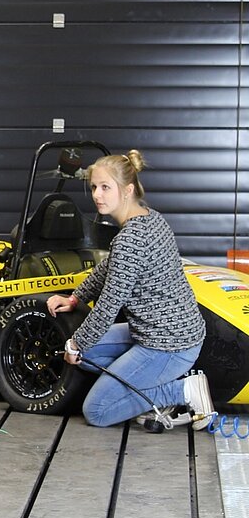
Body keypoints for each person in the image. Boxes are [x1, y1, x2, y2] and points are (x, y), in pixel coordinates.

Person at [46, 150, 215, 430]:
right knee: (86, 355)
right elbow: (109, 268)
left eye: (105, 187)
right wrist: (76, 297)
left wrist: (76, 344)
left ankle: (182, 392)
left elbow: (109, 305)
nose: (97, 195)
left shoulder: (130, 239)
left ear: (128, 190)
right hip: (165, 333)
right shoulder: (151, 218)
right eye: (93, 187)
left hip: (168, 347)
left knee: (97, 410)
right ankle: (141, 389)